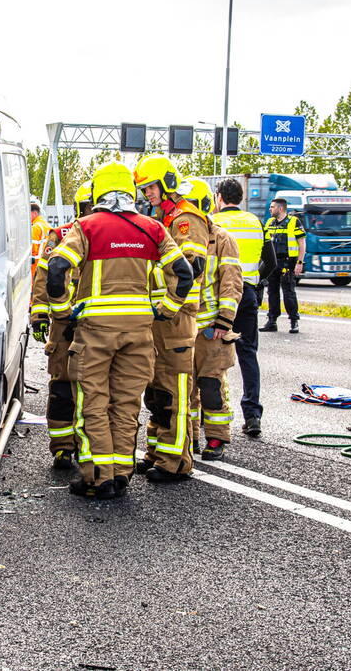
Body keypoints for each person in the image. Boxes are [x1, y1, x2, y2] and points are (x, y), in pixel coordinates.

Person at [45, 162, 192, 498]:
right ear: (130, 191)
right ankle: (122, 474)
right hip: (139, 332)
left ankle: (98, 477)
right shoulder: (152, 228)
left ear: (98, 191)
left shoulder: (87, 227)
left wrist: (63, 311)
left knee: (93, 402)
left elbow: (57, 269)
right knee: (126, 404)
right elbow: (184, 273)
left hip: (95, 332)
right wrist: (166, 310)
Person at [133, 155, 208, 482]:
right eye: (144, 188)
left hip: (176, 318)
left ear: (166, 183)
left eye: (149, 187)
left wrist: (166, 306)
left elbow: (190, 270)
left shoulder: (185, 220)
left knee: (175, 389)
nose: (147, 194)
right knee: (158, 390)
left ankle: (176, 461)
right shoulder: (164, 219)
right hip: (161, 318)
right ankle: (156, 452)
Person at [29, 181, 92, 469]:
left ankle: (88, 446)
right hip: (65, 324)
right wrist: (39, 314)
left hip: (93, 323)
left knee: (92, 389)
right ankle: (63, 447)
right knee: (62, 387)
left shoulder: (105, 233)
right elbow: (44, 273)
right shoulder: (61, 234)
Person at [183, 179, 243, 460]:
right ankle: (191, 436)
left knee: (211, 385)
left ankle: (217, 438)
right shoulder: (176, 237)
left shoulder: (221, 239)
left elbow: (231, 281)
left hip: (210, 328)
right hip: (182, 327)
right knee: (185, 387)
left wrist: (224, 321)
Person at [212, 178, 276, 437]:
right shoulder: (257, 222)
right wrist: (255, 281)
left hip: (218, 296)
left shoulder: (213, 222)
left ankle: (211, 415)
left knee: (212, 358)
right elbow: (270, 261)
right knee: (248, 354)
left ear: (219, 197)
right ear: (240, 198)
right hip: (248, 293)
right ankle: (252, 416)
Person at [261, 198, 305, 334]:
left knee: (288, 293)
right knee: (272, 293)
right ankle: (272, 321)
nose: (270, 209)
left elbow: (302, 243)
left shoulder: (293, 222)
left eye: (272, 207)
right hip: (272, 262)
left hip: (288, 262)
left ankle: (293, 321)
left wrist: (299, 262)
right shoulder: (269, 222)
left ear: (280, 209)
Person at [30, 200, 51, 277]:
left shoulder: (35, 227)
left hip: (35, 265)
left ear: (34, 213)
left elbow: (32, 250)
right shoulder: (47, 225)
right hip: (45, 263)